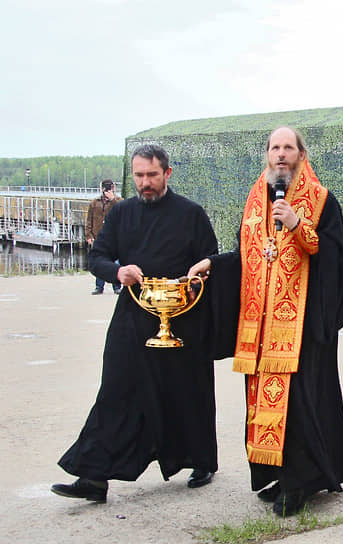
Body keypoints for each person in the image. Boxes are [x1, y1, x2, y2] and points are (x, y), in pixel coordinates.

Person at [188, 126, 343, 517]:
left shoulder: (322, 200)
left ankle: (302, 482)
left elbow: (333, 257)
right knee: (263, 405)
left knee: (299, 406)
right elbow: (250, 255)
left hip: (303, 328)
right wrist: (216, 263)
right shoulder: (255, 198)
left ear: (300, 154)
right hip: (260, 327)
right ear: (267, 154)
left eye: (288, 148)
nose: (281, 154)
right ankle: (276, 475)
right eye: (275, 148)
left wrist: (297, 224)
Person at [52, 144, 219, 503]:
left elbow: (211, 258)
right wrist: (117, 271)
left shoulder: (191, 214)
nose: (145, 182)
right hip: (131, 317)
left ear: (167, 174)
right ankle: (93, 478)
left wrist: (198, 275)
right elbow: (96, 259)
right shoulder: (121, 213)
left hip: (182, 318)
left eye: (152, 175)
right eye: (139, 175)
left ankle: (201, 460)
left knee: (189, 391)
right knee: (114, 392)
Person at [85, 179, 122, 294]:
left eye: (109, 187)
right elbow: (89, 220)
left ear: (113, 188)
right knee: (99, 262)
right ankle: (99, 287)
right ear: (101, 188)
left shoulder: (118, 201)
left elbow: (123, 210)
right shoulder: (94, 202)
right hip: (98, 236)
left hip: (114, 237)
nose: (107, 190)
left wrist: (112, 199)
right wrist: (88, 235)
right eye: (105, 187)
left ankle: (116, 287)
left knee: (115, 262)